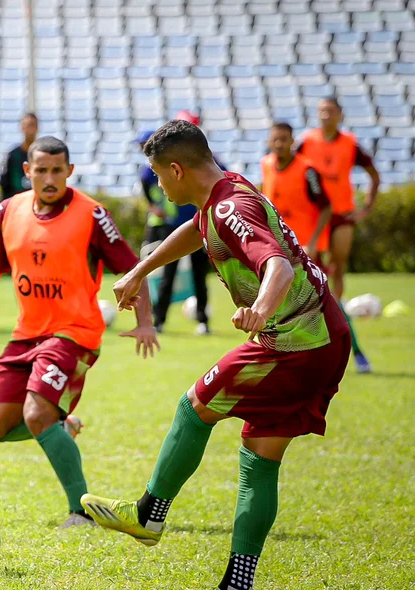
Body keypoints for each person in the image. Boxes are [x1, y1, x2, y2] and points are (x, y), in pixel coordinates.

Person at [81, 120, 351, 590]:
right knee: (259, 456)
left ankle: (149, 514)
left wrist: (260, 311)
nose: (158, 186)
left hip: (295, 341)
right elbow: (196, 230)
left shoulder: (231, 205)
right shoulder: (220, 196)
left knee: (194, 405)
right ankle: (237, 582)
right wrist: (141, 269)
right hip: (322, 337)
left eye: (158, 176)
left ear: (177, 169)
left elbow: (278, 265)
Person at [0, 137, 159, 528]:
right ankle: (62, 428)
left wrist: (145, 321)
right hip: (26, 334)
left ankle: (80, 512)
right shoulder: (8, 211)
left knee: (35, 413)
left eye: (57, 170)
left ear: (69, 172)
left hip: (74, 333)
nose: (49, 178)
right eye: (41, 170)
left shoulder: (91, 215)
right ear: (27, 171)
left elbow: (134, 269)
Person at [296, 99, 377, 373]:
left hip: (341, 213)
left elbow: (374, 174)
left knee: (337, 265)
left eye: (330, 111)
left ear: (340, 114)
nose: (324, 116)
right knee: (311, 273)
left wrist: (366, 206)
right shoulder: (306, 141)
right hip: (314, 217)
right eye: (320, 111)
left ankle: (335, 308)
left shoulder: (350, 143)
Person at [136, 128, 211, 335]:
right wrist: (154, 207)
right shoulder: (147, 172)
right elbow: (146, 189)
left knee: (199, 275)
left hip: (198, 224)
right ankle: (159, 320)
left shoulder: (188, 163)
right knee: (167, 275)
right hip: (172, 226)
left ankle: (203, 320)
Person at [260, 122, 331, 260]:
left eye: (284, 139)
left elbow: (326, 208)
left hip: (303, 246)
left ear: (292, 141)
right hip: (276, 243)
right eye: (275, 139)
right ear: (269, 142)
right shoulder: (266, 164)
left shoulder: (308, 170)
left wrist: (313, 242)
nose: (279, 144)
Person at [0, 112, 38, 201]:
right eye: (27, 125)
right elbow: (4, 184)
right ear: (21, 127)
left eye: (32, 125)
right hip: (17, 204)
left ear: (37, 127)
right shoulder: (12, 155)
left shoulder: (43, 155)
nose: (30, 129)